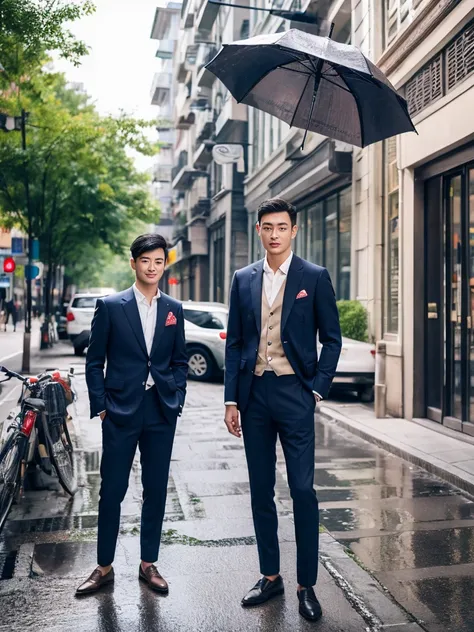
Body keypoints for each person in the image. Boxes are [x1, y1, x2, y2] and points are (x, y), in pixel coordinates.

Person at [224, 198, 342, 622]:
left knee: (304, 491)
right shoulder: (243, 278)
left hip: (295, 393)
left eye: (281, 227)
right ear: (258, 231)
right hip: (254, 395)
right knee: (260, 492)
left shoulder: (314, 276)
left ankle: (306, 584)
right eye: (267, 227)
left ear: (295, 230)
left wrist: (316, 391)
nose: (274, 234)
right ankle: (270, 576)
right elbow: (235, 341)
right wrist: (231, 398)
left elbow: (332, 339)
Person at [76, 233, 188, 596]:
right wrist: (102, 406)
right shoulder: (110, 306)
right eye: (145, 261)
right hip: (121, 412)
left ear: (164, 264)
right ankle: (104, 567)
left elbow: (180, 360)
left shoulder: (173, 308)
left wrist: (177, 396)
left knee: (155, 490)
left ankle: (148, 564)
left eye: (158, 261)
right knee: (112, 491)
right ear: (133, 263)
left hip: (160, 411)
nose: (152, 267)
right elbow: (94, 362)